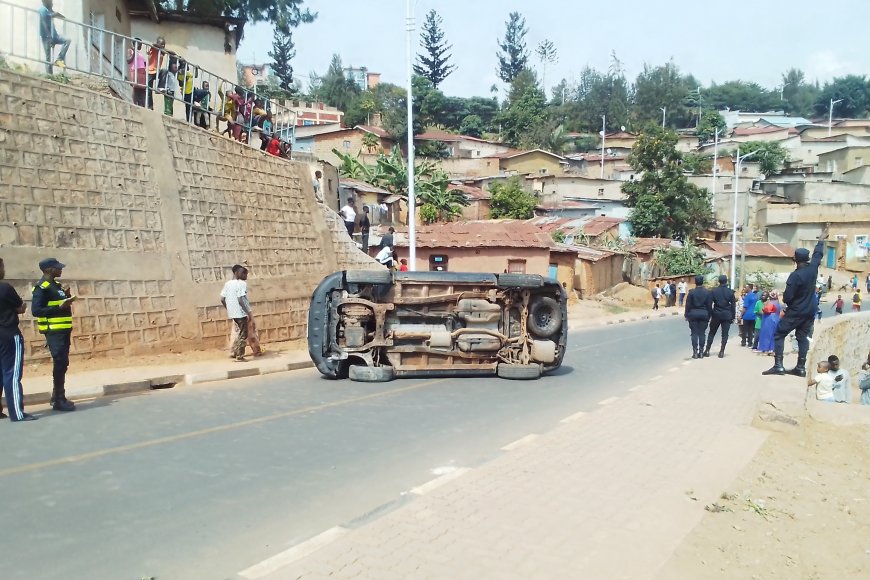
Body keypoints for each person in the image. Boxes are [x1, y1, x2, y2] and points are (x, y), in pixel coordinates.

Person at [763, 228, 828, 376]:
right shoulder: (813, 269)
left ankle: (778, 365)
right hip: (809, 310)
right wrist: (821, 240)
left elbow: (787, 298)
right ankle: (800, 367)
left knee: (779, 334)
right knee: (802, 337)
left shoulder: (795, 276)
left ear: (795, 260)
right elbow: (818, 255)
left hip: (796, 311)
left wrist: (786, 299)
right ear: (807, 259)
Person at [30, 258, 76, 411]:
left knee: (63, 363)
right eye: (57, 268)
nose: (60, 269)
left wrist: (66, 297)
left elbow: (58, 304)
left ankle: (56, 395)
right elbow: (36, 311)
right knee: (60, 362)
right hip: (54, 331)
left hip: (63, 331)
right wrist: (60, 306)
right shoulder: (41, 288)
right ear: (49, 270)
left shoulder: (56, 286)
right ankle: (59, 399)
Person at [0, 258, 37, 421]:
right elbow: (20, 307)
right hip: (8, 333)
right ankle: (17, 413)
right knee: (12, 374)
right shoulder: (4, 288)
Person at [220, 265, 252, 362]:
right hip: (241, 313)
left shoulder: (227, 284)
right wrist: (248, 313)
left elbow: (222, 299)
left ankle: (234, 352)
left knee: (239, 333)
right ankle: (240, 355)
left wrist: (228, 308)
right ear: (236, 272)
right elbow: (240, 299)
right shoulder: (241, 284)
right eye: (243, 273)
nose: (245, 276)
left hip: (233, 313)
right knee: (243, 334)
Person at [705, 275, 736, 358]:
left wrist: (711, 313)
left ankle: (707, 350)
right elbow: (733, 305)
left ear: (719, 281)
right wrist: (733, 316)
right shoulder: (730, 292)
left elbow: (709, 304)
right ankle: (722, 352)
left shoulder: (714, 291)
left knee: (712, 333)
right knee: (725, 334)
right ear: (726, 281)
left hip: (716, 314)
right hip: (727, 315)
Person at [38, 0, 70, 75]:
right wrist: (49, 36)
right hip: (46, 37)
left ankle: (59, 59)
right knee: (48, 57)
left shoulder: (48, 9)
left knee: (67, 41)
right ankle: (50, 75)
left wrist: (64, 17)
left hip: (54, 36)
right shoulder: (42, 10)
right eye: (50, 1)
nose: (52, 3)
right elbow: (43, 23)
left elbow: (54, 14)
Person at [684, 275, 713, 359]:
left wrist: (686, 315)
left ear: (695, 282)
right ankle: (701, 352)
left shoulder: (691, 292)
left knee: (694, 333)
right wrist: (709, 315)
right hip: (704, 314)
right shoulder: (707, 292)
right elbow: (709, 305)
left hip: (693, 314)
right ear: (702, 282)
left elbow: (688, 305)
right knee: (702, 333)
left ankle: (695, 352)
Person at [146, 36, 167, 109]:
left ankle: (160, 87)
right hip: (150, 71)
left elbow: (170, 52)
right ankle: (150, 106)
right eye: (162, 44)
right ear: (158, 43)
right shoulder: (154, 48)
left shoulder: (162, 52)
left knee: (164, 71)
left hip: (157, 72)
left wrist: (163, 49)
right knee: (148, 90)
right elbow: (153, 44)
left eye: (164, 44)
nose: (163, 46)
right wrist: (160, 46)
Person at [127, 40, 147, 108]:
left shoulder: (141, 54)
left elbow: (144, 64)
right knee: (136, 87)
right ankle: (135, 103)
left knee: (142, 89)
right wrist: (134, 52)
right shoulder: (131, 51)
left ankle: (142, 105)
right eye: (140, 44)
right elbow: (129, 60)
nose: (141, 46)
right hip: (135, 71)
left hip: (142, 72)